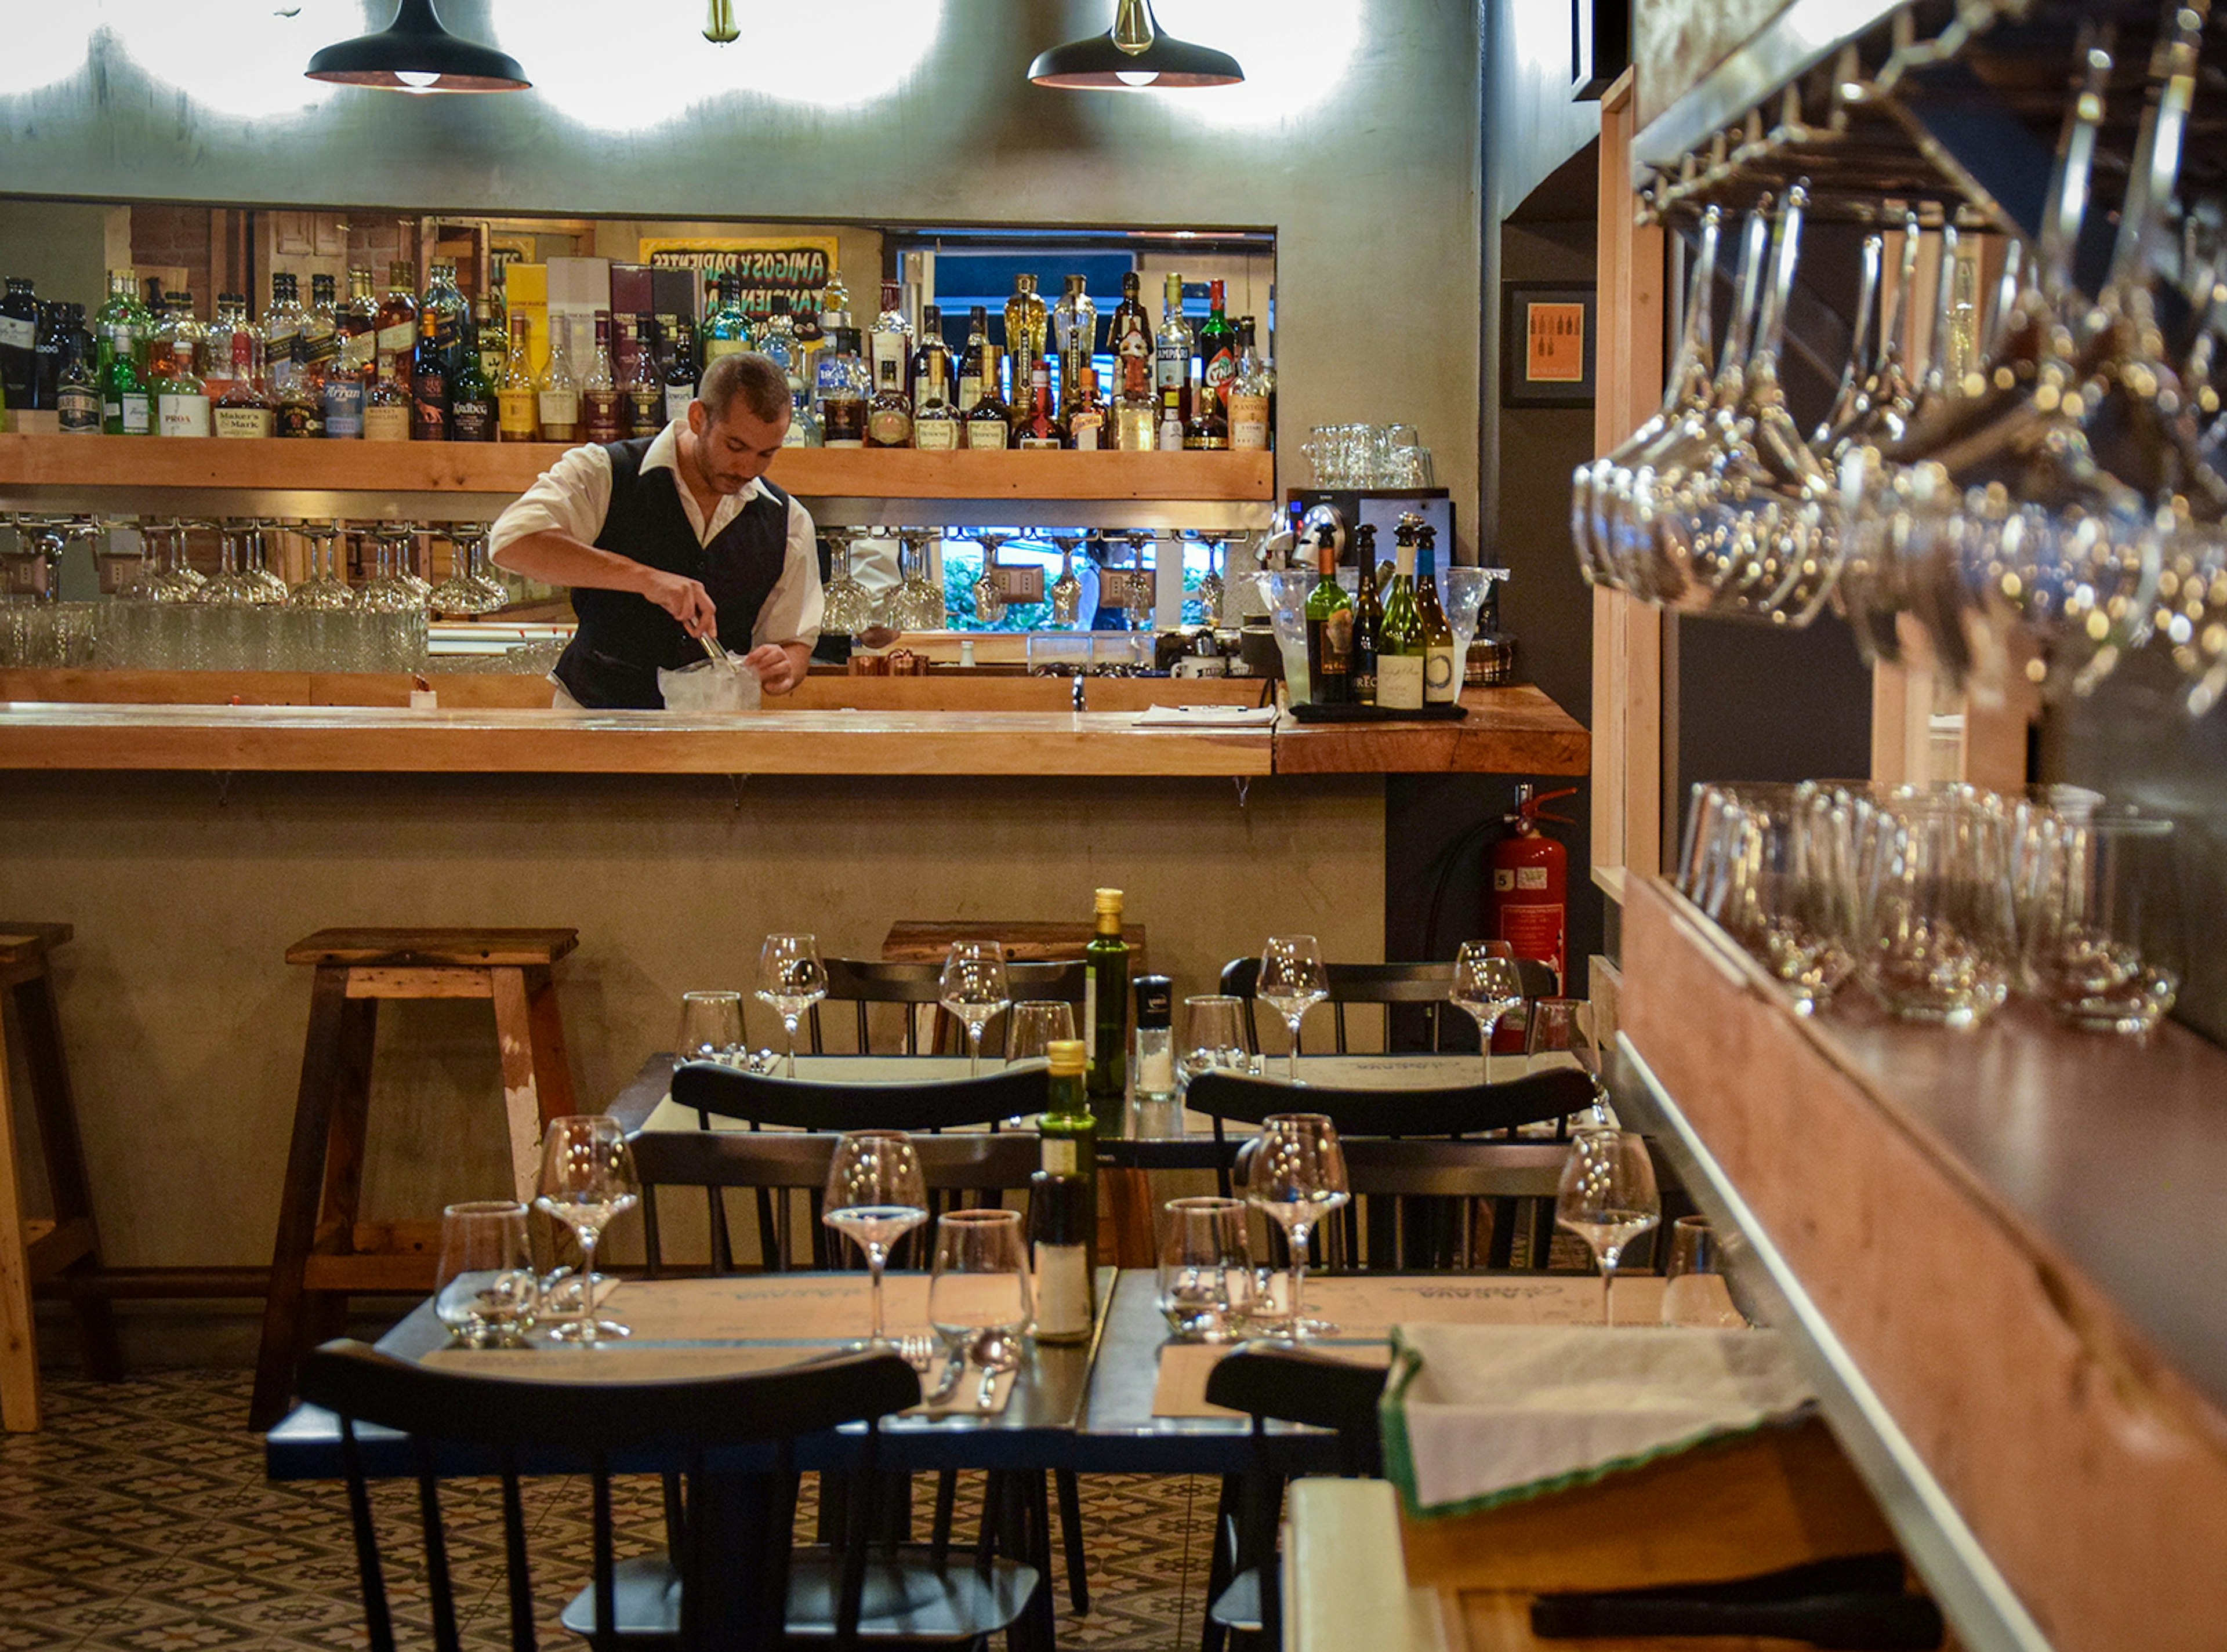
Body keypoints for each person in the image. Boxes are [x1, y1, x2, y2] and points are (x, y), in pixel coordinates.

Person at [489, 351, 821, 709]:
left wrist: (784, 666)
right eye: (735, 446)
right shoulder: (605, 471)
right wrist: (646, 580)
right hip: (593, 725)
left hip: (714, 741)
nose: (747, 467)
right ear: (698, 417)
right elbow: (513, 542)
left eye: (766, 454)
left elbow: (795, 641)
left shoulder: (789, 520)